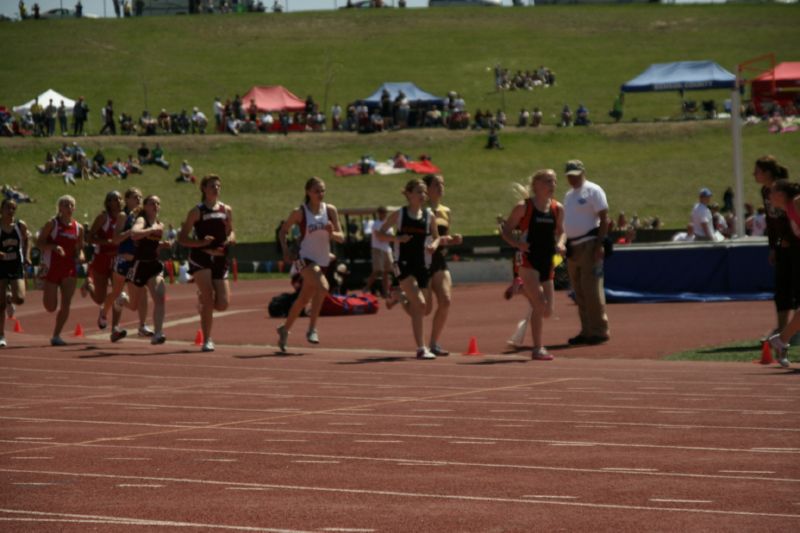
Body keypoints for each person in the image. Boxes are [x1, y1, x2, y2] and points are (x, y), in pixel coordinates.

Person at [501, 170, 566, 360]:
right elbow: (506, 230)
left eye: (554, 181)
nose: (553, 184)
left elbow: (562, 231)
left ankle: (522, 289)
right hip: (528, 260)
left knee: (547, 311)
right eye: (548, 180)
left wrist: (561, 243)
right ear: (536, 184)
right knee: (539, 304)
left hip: (547, 261)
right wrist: (516, 244)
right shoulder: (524, 207)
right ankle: (538, 348)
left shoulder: (557, 208)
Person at [276, 178, 344, 353]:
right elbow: (283, 230)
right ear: (308, 192)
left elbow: (341, 237)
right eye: (316, 191)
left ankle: (284, 329)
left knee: (303, 300)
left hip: (322, 260)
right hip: (304, 258)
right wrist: (285, 250)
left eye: (323, 191)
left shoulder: (330, 210)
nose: (320, 194)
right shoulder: (299, 212)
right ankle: (312, 329)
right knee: (323, 287)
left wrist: (332, 233)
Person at [376, 179, 440, 360]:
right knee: (419, 304)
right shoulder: (400, 214)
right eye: (419, 192)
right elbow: (379, 234)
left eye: (424, 192)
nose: (422, 195)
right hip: (402, 263)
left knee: (425, 310)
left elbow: (437, 237)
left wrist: (433, 245)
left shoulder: (429, 215)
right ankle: (421, 348)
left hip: (422, 264)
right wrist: (397, 239)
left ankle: (400, 297)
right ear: (409, 194)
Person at [178, 175, 235, 352]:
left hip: (219, 258)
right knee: (209, 297)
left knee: (223, 304)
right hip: (201, 257)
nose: (216, 188)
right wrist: (201, 243)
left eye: (218, 185)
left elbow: (231, 231)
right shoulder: (197, 211)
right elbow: (182, 238)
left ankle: (202, 298)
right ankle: (207, 339)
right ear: (203, 188)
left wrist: (230, 240)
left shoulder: (226, 209)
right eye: (212, 186)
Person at [562, 160, 610, 345]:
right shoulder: (569, 195)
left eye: (575, 174)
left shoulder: (593, 190)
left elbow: (604, 218)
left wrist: (600, 245)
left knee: (592, 290)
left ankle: (599, 330)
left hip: (590, 244)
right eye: (569, 176)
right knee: (580, 291)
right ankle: (587, 330)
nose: (572, 178)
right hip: (573, 247)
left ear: (583, 172)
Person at [754, 156, 799, 343]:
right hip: (783, 246)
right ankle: (784, 331)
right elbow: (771, 223)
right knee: (782, 286)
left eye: (756, 171)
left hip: (795, 245)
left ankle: (788, 334)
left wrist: (788, 239)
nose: (754, 175)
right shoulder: (769, 194)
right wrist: (774, 246)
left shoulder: (792, 200)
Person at [422, 174, 463, 356]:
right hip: (422, 261)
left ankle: (434, 343)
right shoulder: (420, 210)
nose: (441, 187)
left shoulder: (446, 210)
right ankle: (401, 295)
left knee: (446, 300)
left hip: (439, 261)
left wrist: (452, 240)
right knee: (426, 308)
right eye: (437, 184)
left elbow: (443, 236)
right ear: (427, 188)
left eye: (442, 184)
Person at [37, 195, 85, 346]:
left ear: (74, 208)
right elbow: (39, 243)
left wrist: (81, 257)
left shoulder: (79, 228)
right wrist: (53, 247)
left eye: (71, 205)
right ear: (60, 208)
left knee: (66, 304)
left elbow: (80, 249)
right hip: (52, 267)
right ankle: (45, 286)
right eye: (65, 205)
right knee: (50, 307)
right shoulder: (52, 224)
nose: (69, 207)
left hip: (69, 269)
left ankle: (56, 335)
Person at [108, 188, 154, 342]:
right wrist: (130, 232)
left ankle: (141, 325)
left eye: (141, 197)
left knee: (138, 299)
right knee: (120, 292)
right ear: (127, 199)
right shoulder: (124, 215)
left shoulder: (143, 216)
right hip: (124, 260)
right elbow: (115, 239)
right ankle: (115, 327)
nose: (139, 199)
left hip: (138, 260)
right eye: (135, 197)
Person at [126, 195, 170, 345]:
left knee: (159, 298)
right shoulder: (142, 220)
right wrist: (151, 229)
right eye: (152, 203)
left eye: (158, 203)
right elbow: (134, 234)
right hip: (139, 265)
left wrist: (161, 245)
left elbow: (151, 244)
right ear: (145, 206)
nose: (155, 205)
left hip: (153, 265)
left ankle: (158, 333)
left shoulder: (160, 224)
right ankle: (121, 300)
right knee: (133, 304)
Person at [767, 179, 800, 368]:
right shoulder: (789, 210)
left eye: (772, 191)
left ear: (781, 194)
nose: (769, 195)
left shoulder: (796, 202)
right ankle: (782, 339)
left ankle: (781, 339)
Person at [82, 191, 124, 331]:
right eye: (113, 199)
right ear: (108, 202)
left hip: (117, 259)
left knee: (118, 292)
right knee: (100, 298)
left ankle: (116, 326)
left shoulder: (125, 217)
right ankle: (89, 284)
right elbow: (89, 238)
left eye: (119, 198)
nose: (117, 201)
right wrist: (107, 241)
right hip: (102, 258)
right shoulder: (103, 218)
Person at [0, 199, 31, 347]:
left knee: (20, 298)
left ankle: (10, 298)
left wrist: (27, 255)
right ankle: (1, 336)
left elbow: (27, 239)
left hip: (16, 266)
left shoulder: (20, 226)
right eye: (7, 208)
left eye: (13, 208)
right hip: (0, 267)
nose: (10, 211)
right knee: (0, 305)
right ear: (1, 210)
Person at [362, 206, 394, 301]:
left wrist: (387, 237)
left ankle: (386, 292)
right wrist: (387, 237)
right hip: (377, 249)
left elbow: (391, 236)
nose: (384, 214)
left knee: (387, 271)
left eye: (385, 212)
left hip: (387, 249)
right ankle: (366, 287)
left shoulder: (389, 224)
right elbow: (379, 236)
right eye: (382, 212)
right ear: (379, 213)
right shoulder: (375, 224)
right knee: (377, 270)